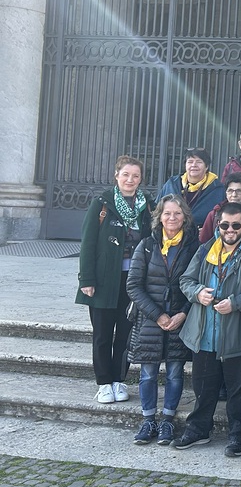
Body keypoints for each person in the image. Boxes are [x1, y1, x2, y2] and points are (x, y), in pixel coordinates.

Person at [176, 202, 241, 457]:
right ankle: (198, 429)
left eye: (236, 225)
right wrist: (197, 292)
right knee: (203, 387)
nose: (230, 230)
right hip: (204, 333)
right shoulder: (205, 249)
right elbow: (186, 280)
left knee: (238, 390)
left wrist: (236, 303)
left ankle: (239, 434)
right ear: (218, 225)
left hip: (237, 335)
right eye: (225, 225)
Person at [77, 155, 153, 405]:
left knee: (126, 333)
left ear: (141, 179)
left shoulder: (147, 205)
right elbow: (88, 243)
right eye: (126, 175)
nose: (130, 180)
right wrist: (86, 279)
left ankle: (119, 379)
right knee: (102, 333)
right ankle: (103, 383)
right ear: (116, 176)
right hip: (103, 279)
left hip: (134, 281)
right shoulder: (102, 203)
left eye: (135, 176)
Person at [126, 195, 199, 447]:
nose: (172, 218)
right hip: (150, 321)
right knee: (147, 374)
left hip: (179, 320)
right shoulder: (146, 245)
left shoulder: (194, 247)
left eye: (177, 213)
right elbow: (133, 285)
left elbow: (198, 284)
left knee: (175, 374)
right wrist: (157, 315)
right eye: (167, 213)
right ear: (159, 217)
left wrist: (183, 314)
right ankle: (148, 420)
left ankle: (167, 420)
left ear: (185, 217)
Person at [157, 147, 225, 230]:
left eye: (199, 162)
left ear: (206, 166)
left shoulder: (217, 188)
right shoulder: (172, 184)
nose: (194, 165)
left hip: (202, 235)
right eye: (190, 162)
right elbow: (157, 209)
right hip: (171, 233)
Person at [200, 172, 241, 243]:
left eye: (239, 191)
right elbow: (204, 242)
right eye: (230, 191)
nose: (234, 195)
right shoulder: (214, 214)